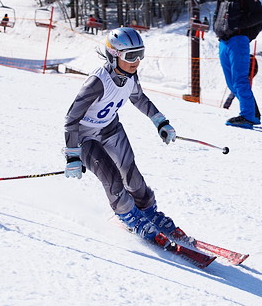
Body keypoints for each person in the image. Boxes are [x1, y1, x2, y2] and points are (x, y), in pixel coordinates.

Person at [63, 27, 178, 245]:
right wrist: (72, 155)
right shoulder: (97, 82)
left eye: (140, 54)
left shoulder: (130, 77)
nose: (137, 61)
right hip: (85, 137)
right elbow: (71, 118)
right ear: (114, 55)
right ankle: (128, 215)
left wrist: (160, 121)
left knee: (130, 172)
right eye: (131, 56)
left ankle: (148, 210)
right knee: (112, 177)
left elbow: (140, 99)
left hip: (110, 129)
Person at [212, 0, 262, 129]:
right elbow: (217, 14)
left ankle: (247, 116)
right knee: (231, 83)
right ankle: (253, 113)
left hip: (238, 41)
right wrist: (216, 28)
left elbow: (258, 17)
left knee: (240, 79)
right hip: (224, 41)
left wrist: (240, 29)